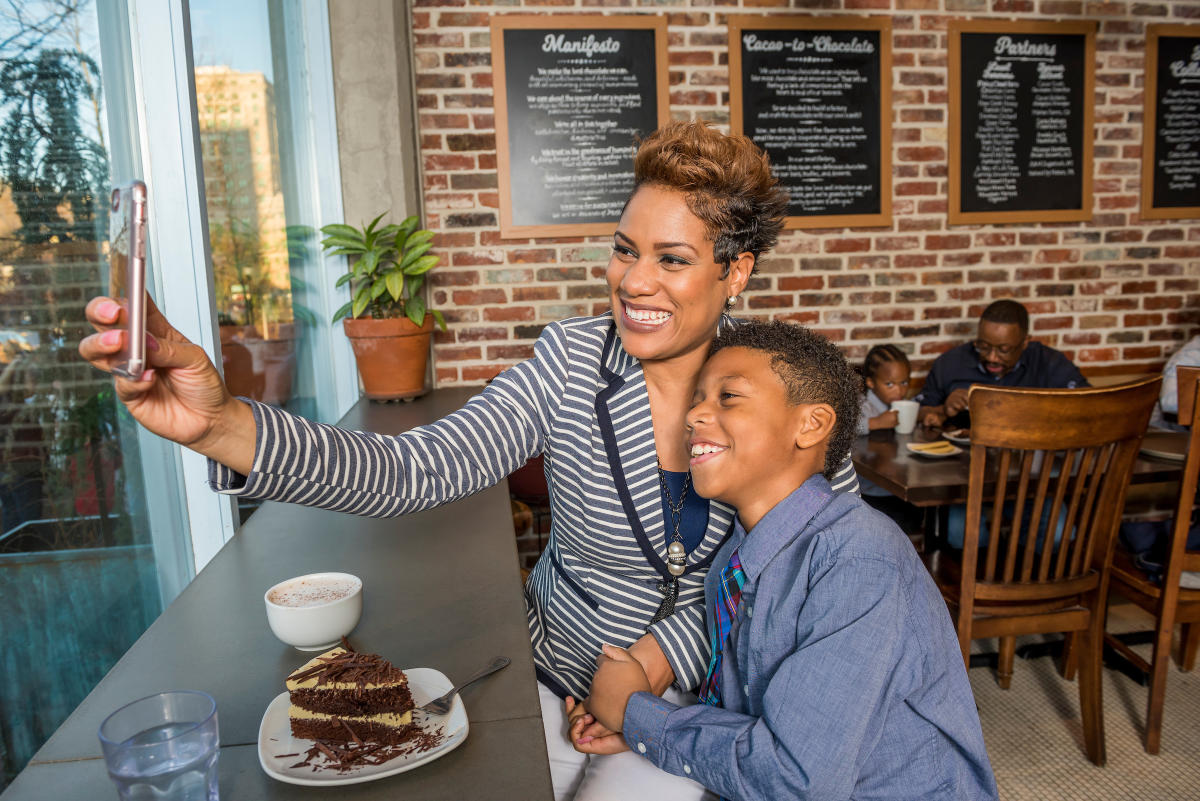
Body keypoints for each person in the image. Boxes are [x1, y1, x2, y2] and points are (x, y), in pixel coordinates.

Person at [79, 121, 859, 800]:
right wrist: (221, 427)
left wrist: (651, 675)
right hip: (557, 677)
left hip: (702, 706)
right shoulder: (569, 361)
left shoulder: (793, 387)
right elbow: (410, 470)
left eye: (673, 259)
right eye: (625, 251)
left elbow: (799, 576)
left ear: (737, 271)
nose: (636, 281)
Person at [578, 321, 998, 800]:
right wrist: (641, 730)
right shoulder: (736, 558)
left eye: (728, 397)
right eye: (698, 398)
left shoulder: (859, 559)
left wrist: (635, 712)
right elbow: (747, 714)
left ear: (811, 425)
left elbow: (796, 780)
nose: (694, 415)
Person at [917, 299, 1087, 430]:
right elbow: (919, 413)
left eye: (1004, 350)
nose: (992, 358)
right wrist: (944, 410)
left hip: (1032, 464)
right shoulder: (950, 364)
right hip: (962, 465)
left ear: (1025, 342)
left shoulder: (1049, 363)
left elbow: (1091, 405)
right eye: (983, 347)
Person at [856, 343, 909, 435]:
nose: (899, 391)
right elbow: (845, 429)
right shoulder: (861, 405)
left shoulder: (902, 403)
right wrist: (876, 423)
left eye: (903, 383)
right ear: (871, 383)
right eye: (889, 384)